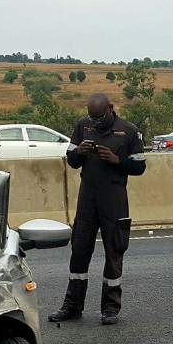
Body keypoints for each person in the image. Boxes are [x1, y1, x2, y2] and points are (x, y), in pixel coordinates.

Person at [48, 93, 147, 325]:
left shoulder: (129, 130)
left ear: (111, 109)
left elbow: (140, 166)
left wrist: (116, 160)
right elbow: (71, 161)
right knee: (79, 251)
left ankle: (110, 308)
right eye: (92, 118)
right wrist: (80, 152)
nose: (95, 123)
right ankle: (73, 306)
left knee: (114, 252)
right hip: (87, 200)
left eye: (99, 118)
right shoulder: (82, 126)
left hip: (114, 199)